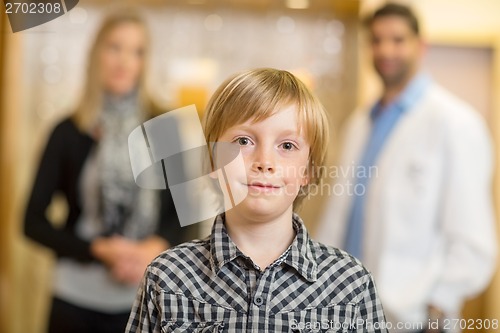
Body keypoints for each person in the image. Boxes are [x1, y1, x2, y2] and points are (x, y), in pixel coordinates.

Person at [125, 68, 388, 333]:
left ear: (308, 170)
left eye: (287, 146)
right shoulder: (166, 279)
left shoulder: (351, 286)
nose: (264, 162)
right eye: (244, 141)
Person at [315, 3, 497, 332]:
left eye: (398, 40)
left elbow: (473, 241)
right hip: (346, 311)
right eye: (377, 40)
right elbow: (338, 215)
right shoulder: (359, 123)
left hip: (412, 319)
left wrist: (438, 307)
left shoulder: (455, 123)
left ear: (420, 45)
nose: (386, 49)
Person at [24, 10, 188, 333]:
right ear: (96, 53)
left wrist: (151, 249)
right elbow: (31, 222)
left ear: (145, 62)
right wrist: (97, 250)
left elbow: (191, 216)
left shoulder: (168, 127)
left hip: (148, 297)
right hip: (75, 299)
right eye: (115, 47)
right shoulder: (67, 131)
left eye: (136, 51)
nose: (124, 61)